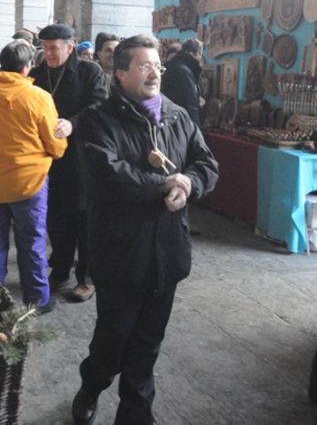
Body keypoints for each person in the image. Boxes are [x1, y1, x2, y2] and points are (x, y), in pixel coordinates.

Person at [72, 35, 218, 425]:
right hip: (121, 253)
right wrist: (163, 185)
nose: (154, 73)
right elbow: (105, 175)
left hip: (167, 252)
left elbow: (206, 163)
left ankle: (135, 414)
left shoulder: (177, 116)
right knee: (113, 339)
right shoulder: (98, 120)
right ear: (120, 73)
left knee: (148, 342)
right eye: (143, 66)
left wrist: (188, 184)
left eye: (157, 66)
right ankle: (92, 384)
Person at [0, 41, 67, 312]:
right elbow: (55, 145)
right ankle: (37, 300)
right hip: (29, 183)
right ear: (27, 67)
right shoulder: (38, 97)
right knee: (31, 242)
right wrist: (59, 145)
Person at [30, 24, 107, 302]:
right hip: (49, 158)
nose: (49, 53)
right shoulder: (37, 75)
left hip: (82, 156)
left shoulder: (90, 72)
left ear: (69, 47)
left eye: (54, 48)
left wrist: (73, 124)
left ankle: (86, 277)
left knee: (84, 218)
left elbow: (99, 107)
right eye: (45, 48)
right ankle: (60, 269)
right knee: (57, 217)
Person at [160, 38, 203, 126]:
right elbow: (189, 105)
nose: (200, 58)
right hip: (180, 123)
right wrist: (195, 129)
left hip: (168, 120)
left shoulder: (174, 66)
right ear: (195, 53)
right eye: (200, 54)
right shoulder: (184, 72)